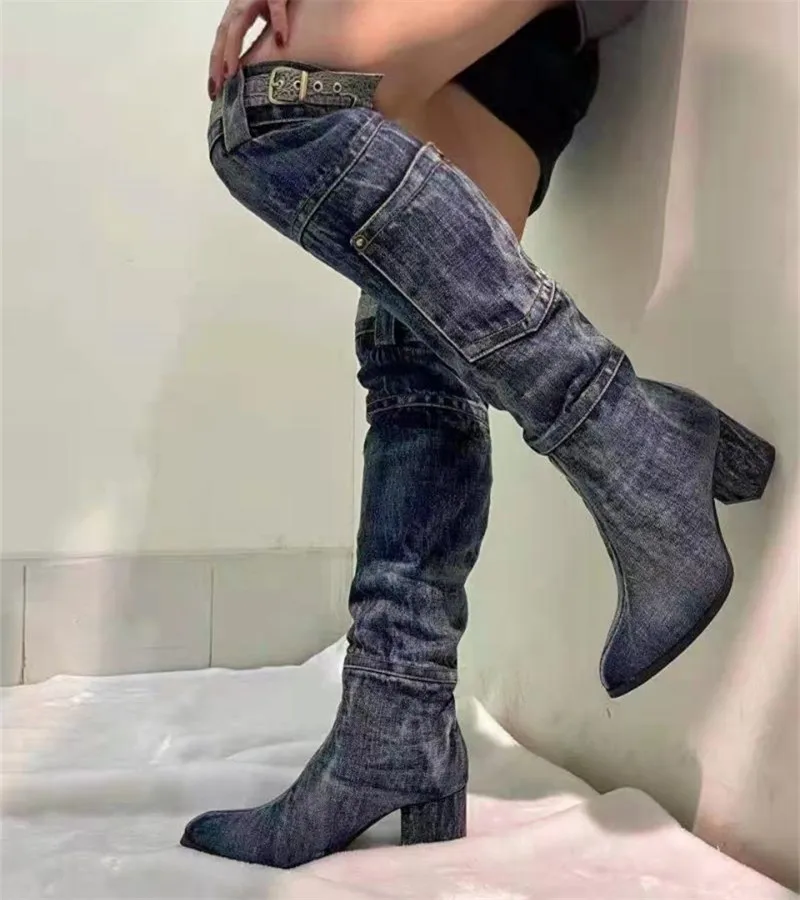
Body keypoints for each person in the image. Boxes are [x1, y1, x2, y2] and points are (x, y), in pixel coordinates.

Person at [181, 0, 775, 868]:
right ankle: (394, 728)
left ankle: (640, 445)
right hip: (533, 49)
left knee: (272, 104)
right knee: (416, 339)